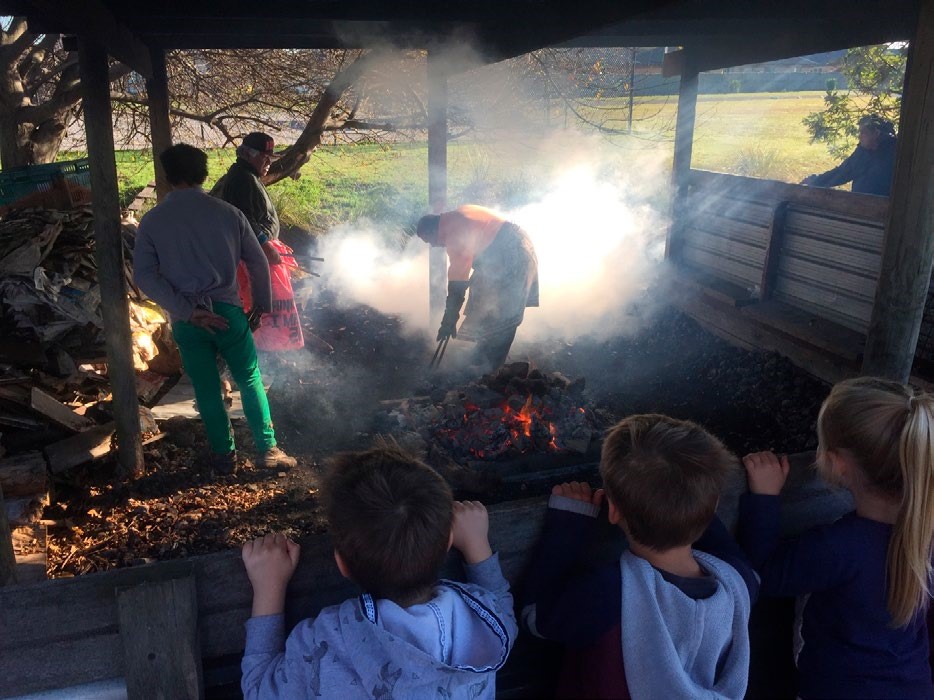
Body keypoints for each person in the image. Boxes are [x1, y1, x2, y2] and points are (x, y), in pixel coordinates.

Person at [240, 444, 517, 699]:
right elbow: (503, 613)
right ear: (448, 542)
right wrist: (478, 546)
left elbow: (258, 690)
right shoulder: (484, 620)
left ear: (342, 564)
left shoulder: (324, 643)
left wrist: (268, 588)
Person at [521, 414, 758, 699]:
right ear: (715, 504)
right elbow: (734, 556)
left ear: (613, 511)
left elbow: (534, 617)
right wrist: (697, 504)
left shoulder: (608, 594)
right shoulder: (739, 582)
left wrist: (568, 523)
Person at [739, 377, 934, 699]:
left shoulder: (838, 547)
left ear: (838, 464)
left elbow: (764, 574)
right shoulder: (922, 533)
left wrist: (765, 496)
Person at [133, 144, 297, 473]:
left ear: (167, 177)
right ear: (204, 175)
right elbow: (258, 261)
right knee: (249, 379)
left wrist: (187, 310)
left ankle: (224, 456)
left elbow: (144, 277)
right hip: (229, 313)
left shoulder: (152, 222)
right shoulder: (228, 214)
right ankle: (268, 450)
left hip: (188, 321)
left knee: (206, 388)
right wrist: (261, 305)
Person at [416, 205, 539, 372]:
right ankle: (483, 355)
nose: (433, 246)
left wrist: (449, 319)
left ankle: (490, 369)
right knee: (482, 299)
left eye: (429, 241)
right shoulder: (455, 217)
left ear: (433, 231)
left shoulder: (454, 233)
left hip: (513, 253)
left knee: (504, 312)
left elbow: (458, 282)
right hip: (512, 248)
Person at [211, 132, 284, 265]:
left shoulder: (247, 175)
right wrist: (266, 248)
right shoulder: (242, 179)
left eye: (270, 158)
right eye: (264, 157)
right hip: (252, 258)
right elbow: (243, 220)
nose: (269, 162)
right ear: (249, 154)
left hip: (256, 253)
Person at [801, 114, 897, 196]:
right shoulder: (864, 151)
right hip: (860, 205)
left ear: (876, 133)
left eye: (863, 132)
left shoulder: (894, 153)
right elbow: (843, 172)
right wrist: (816, 180)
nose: (859, 136)